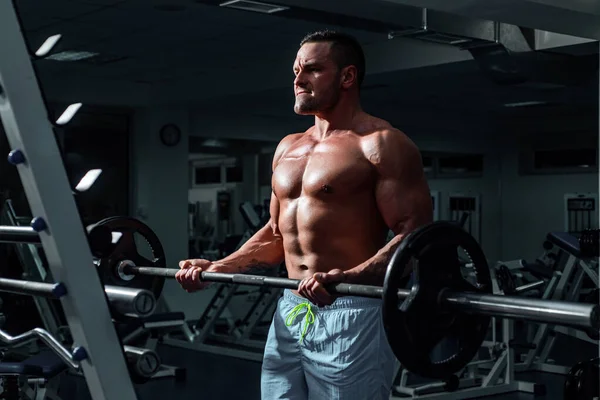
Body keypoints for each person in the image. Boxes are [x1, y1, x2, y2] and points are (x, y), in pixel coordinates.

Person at [176, 30, 433, 400]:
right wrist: (220, 267)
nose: (298, 80)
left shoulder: (380, 144)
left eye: (312, 69)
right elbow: (276, 234)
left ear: (347, 77)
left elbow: (414, 235)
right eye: (296, 70)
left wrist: (348, 277)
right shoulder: (287, 148)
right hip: (291, 306)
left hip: (351, 306)